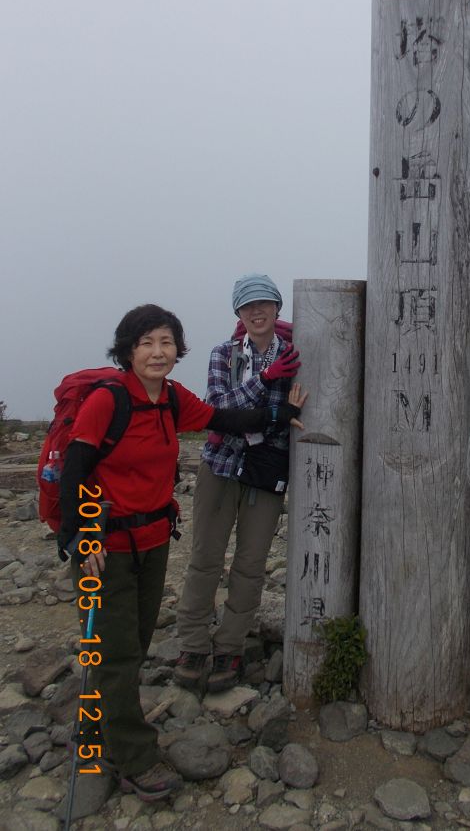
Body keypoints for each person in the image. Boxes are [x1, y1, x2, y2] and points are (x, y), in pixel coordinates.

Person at [58, 303, 305, 801]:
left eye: (166, 342)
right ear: (128, 350)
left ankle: (104, 732)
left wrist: (283, 412)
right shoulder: (108, 402)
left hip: (151, 542)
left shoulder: (171, 399)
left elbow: (227, 417)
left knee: (136, 641)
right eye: (146, 343)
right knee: (118, 653)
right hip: (105, 548)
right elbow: (75, 471)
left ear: (177, 350)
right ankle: (134, 758)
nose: (157, 352)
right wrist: (81, 539)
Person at [175, 273, 301, 693]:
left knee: (250, 564)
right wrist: (265, 384)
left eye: (264, 303)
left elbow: (292, 412)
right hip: (220, 465)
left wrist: (259, 411)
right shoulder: (222, 355)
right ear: (238, 313)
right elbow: (216, 408)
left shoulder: (296, 355)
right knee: (205, 558)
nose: (257, 311)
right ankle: (192, 643)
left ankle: (229, 644)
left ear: (277, 307)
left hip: (265, 471)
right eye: (248, 306)